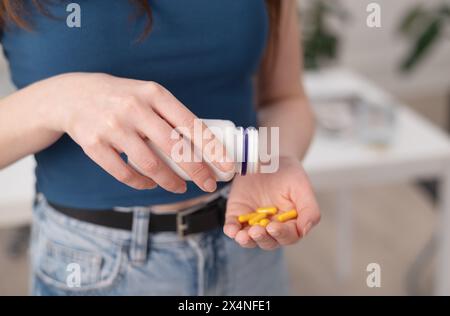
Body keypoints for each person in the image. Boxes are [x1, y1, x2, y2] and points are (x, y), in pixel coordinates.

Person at [0, 0, 320, 295]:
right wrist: (57, 102)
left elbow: (285, 99)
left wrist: (273, 159)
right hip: (92, 265)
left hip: (248, 248)